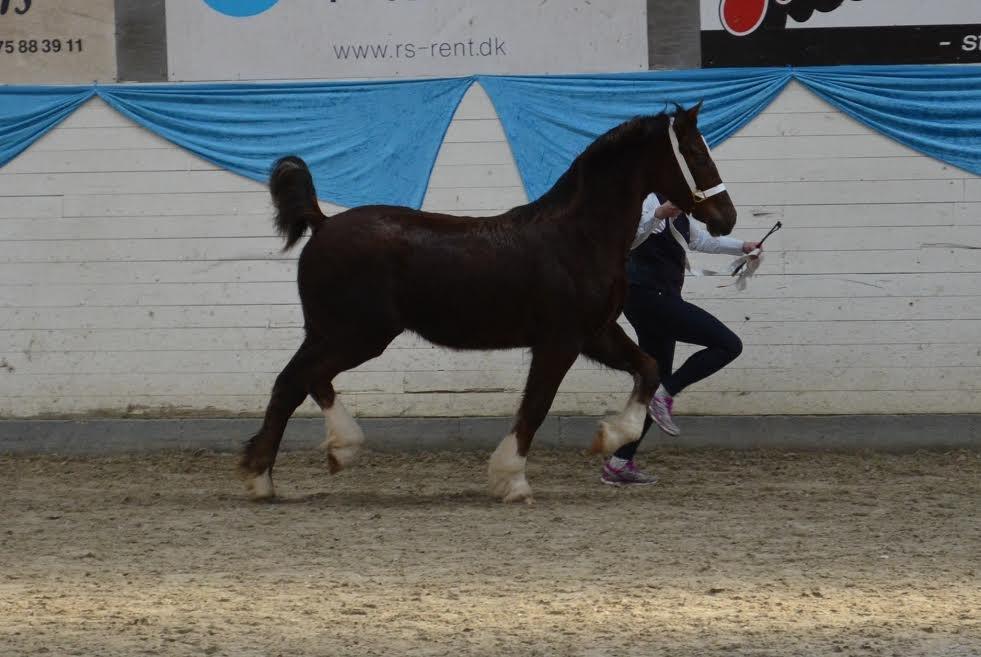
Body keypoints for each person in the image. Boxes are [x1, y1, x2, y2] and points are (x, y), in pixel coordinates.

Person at [601, 192, 762, 486]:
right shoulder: (647, 200)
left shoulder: (681, 209)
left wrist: (742, 246)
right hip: (648, 296)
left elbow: (700, 241)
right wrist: (658, 214)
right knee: (728, 344)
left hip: (655, 298)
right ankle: (666, 393)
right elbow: (628, 238)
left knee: (652, 381)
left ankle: (619, 463)